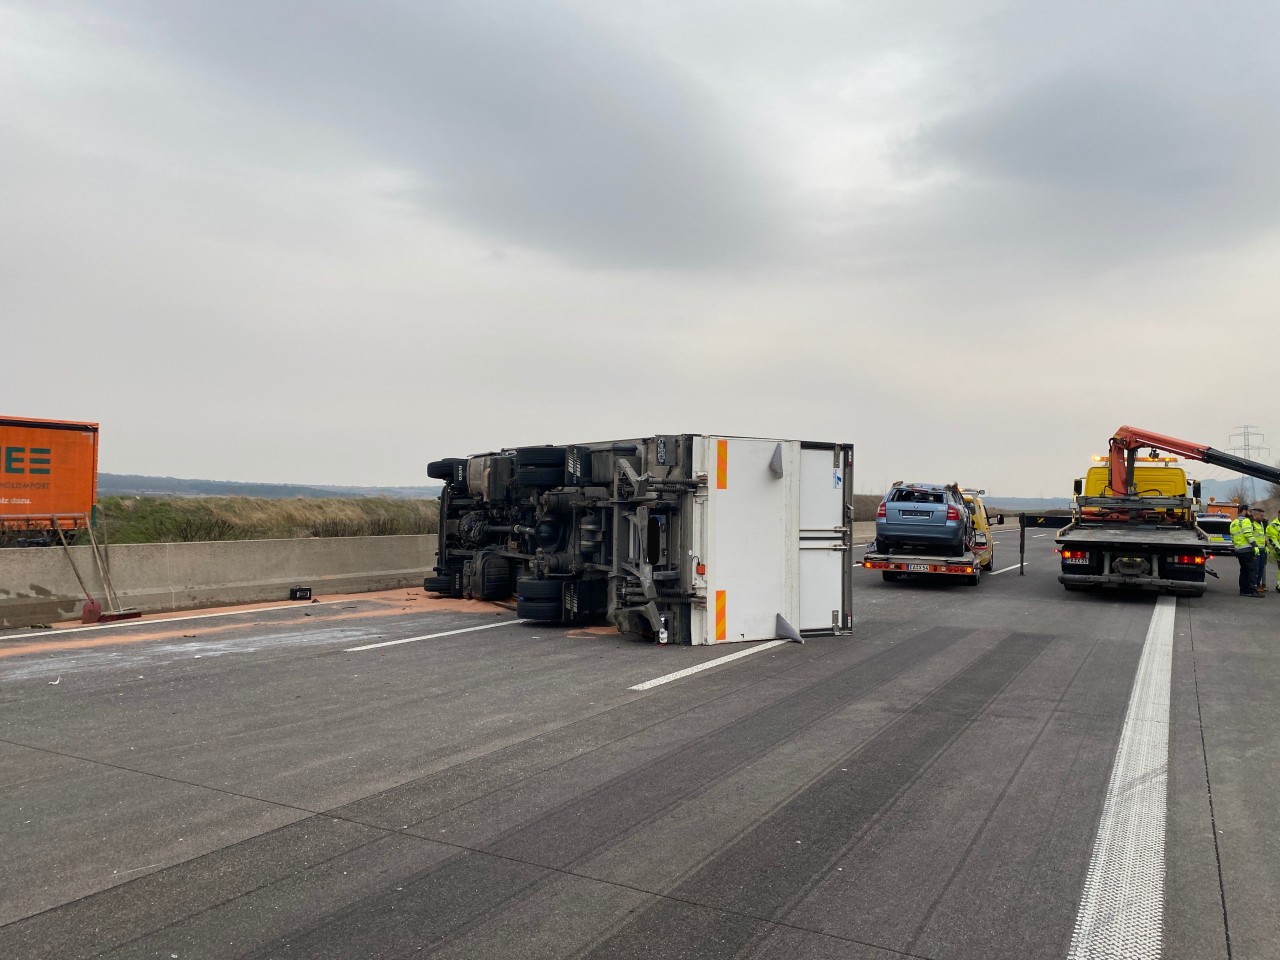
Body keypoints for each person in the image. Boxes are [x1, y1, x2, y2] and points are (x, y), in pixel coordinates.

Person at [1229, 505, 1262, 598]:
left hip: (1239, 550)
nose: (1251, 513)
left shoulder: (1234, 522)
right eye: (1249, 511)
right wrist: (1255, 546)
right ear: (1244, 511)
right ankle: (1251, 591)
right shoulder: (1246, 521)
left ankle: (1243, 590)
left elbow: (1232, 537)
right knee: (1251, 570)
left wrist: (1236, 548)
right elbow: (1248, 534)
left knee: (1243, 570)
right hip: (1247, 549)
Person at [1251, 507, 1269, 596]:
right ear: (1255, 514)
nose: (1263, 517)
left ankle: (1258, 584)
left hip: (1262, 549)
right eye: (1261, 515)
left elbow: (1262, 535)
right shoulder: (1252, 524)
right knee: (1256, 568)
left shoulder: (1261, 523)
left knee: (1261, 568)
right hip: (1256, 549)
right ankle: (1255, 585)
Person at [1267, 509, 1280, 593]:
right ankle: (1279, 586)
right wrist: (1278, 549)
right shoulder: (1273, 525)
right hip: (1277, 550)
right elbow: (1272, 539)